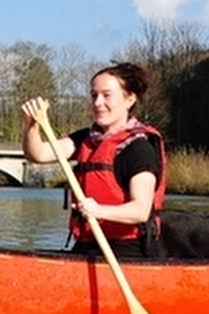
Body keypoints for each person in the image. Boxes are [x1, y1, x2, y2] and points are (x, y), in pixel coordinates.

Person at [20, 62, 166, 258]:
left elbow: (140, 210)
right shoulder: (85, 139)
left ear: (129, 100)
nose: (98, 103)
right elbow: (38, 154)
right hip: (86, 245)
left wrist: (99, 211)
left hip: (125, 250)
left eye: (106, 95)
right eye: (94, 95)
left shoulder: (139, 149)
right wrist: (31, 126)